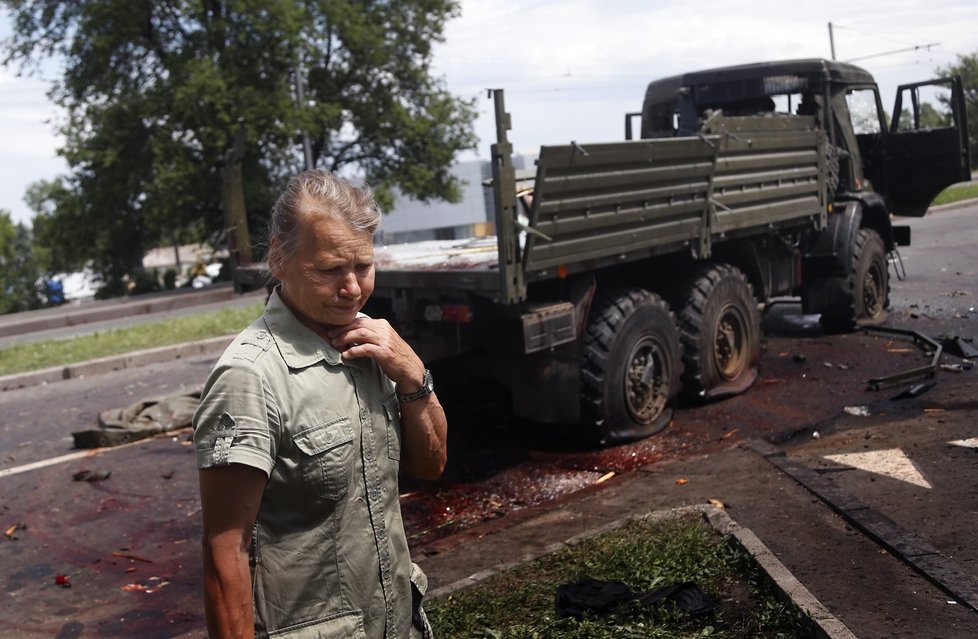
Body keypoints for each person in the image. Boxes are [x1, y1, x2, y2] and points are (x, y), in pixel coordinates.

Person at [193, 170, 448, 639]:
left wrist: (414, 374)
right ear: (279, 258)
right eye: (329, 270)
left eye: (364, 267)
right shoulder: (249, 377)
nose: (352, 288)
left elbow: (431, 465)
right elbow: (223, 552)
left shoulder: (375, 345)